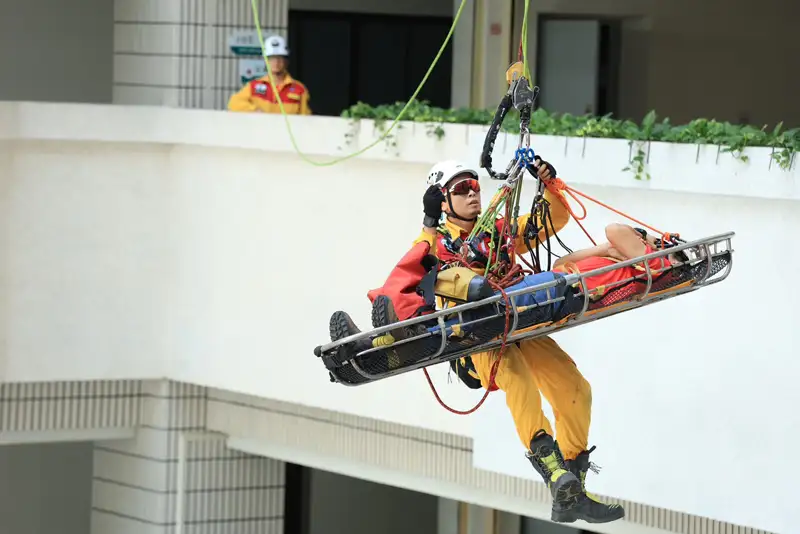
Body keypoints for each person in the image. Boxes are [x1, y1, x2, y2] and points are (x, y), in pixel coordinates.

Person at [329, 159, 625, 525]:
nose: (472, 193)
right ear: (442, 201)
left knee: (574, 387)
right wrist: (429, 223)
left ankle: (572, 491)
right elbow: (419, 262)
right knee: (515, 376)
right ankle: (552, 470)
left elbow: (551, 221)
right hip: (474, 335)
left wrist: (549, 185)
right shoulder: (437, 242)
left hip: (516, 319)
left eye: (474, 186)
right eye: (460, 190)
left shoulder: (497, 232)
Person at [552, 223, 687, 300]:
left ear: (675, 263)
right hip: (560, 282)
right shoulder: (634, 267)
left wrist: (645, 235)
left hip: (565, 290)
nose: (655, 248)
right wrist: (606, 249)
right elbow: (558, 265)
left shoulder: (661, 267)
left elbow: (613, 230)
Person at [227, 35, 311, 115]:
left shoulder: (299, 89)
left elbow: (305, 119)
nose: (276, 62)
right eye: (272, 58)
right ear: (266, 61)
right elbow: (233, 103)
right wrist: (254, 111)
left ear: (286, 61)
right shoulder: (254, 86)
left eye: (280, 58)